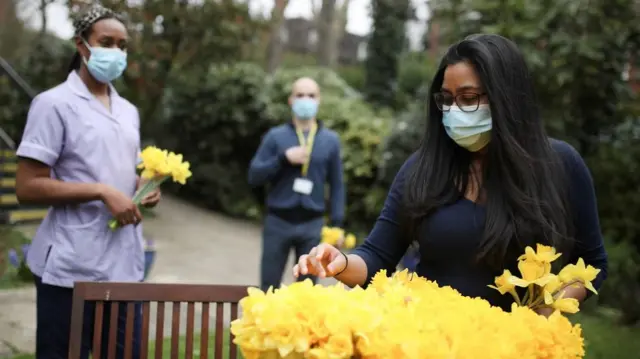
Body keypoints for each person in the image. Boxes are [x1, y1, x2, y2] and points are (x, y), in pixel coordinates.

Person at [293, 34, 608, 315]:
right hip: (429, 339)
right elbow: (377, 255)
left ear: (507, 99)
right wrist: (341, 262)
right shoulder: (423, 167)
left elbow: (592, 263)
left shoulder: (560, 165)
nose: (454, 110)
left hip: (518, 346)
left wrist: (547, 310)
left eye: (469, 99)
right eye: (446, 99)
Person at [15, 5, 160, 359]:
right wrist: (101, 191)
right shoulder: (53, 105)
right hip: (70, 266)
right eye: (105, 42)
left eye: (122, 45)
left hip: (123, 265)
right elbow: (28, 186)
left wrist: (141, 187)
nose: (115, 52)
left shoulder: (128, 111)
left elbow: (119, 166)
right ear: (81, 46)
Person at [248, 77, 346, 291]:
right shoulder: (275, 137)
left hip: (312, 225)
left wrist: (337, 224)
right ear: (291, 100)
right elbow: (254, 176)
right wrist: (283, 159)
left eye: (311, 95)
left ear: (319, 100)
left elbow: (337, 185)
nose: (305, 100)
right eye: (300, 95)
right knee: (268, 289)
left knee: (307, 293)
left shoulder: (330, 140)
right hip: (278, 222)